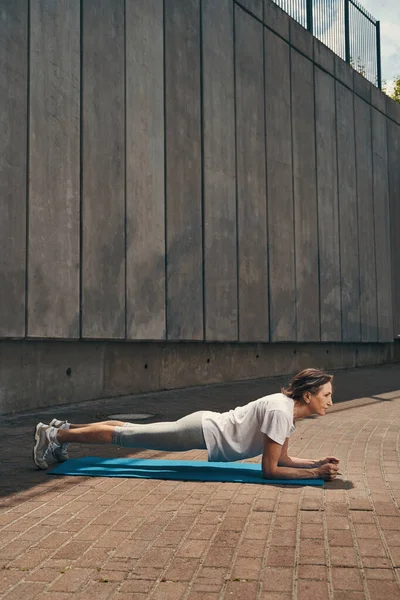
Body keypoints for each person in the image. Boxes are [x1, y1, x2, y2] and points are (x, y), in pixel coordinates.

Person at [33, 367, 340, 480]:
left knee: (129, 430)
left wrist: (316, 461)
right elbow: (270, 470)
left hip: (203, 427)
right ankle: (55, 435)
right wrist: (314, 474)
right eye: (326, 395)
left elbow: (282, 458)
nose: (330, 401)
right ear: (309, 394)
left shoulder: (285, 411)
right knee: (126, 438)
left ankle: (64, 430)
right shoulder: (280, 412)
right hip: (200, 431)